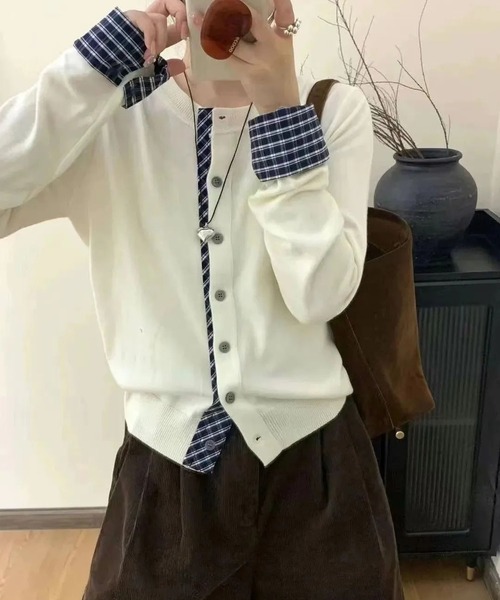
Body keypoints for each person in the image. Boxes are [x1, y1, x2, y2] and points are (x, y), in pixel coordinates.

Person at [0, 0, 404, 598]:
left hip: (318, 474)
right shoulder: (112, 117)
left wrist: (279, 115)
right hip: (164, 478)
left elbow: (319, 294)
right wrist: (95, 68)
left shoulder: (330, 110)